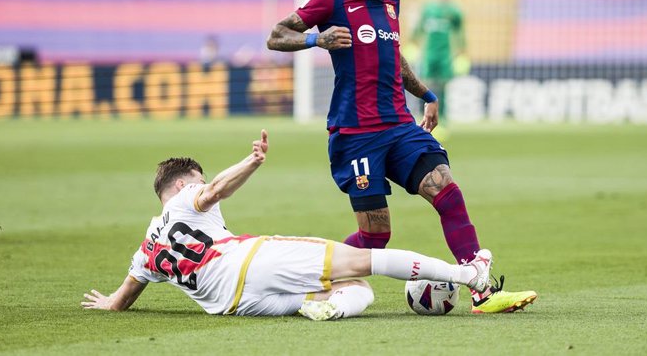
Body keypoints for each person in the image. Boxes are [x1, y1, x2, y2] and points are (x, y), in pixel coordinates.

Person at [266, 0, 537, 313]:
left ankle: (482, 289)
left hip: (399, 126)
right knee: (376, 236)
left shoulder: (391, 0)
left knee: (447, 191)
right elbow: (276, 36)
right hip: (356, 135)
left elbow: (393, 55)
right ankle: (308, 281)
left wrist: (426, 94)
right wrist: (316, 41)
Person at [81, 129, 494, 320]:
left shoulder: (147, 249)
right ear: (182, 184)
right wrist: (251, 161)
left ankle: (328, 308)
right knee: (367, 261)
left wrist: (109, 304)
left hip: (234, 306)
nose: (202, 185)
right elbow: (213, 192)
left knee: (357, 291)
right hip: (248, 261)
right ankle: (469, 274)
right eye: (198, 179)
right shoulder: (188, 198)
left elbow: (124, 296)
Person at [412, 0, 468, 125]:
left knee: (443, 86)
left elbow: (461, 32)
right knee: (424, 84)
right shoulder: (428, 7)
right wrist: (413, 44)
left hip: (446, 54)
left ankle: (441, 119)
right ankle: (423, 117)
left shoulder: (455, 10)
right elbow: (418, 28)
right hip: (429, 54)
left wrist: (462, 53)